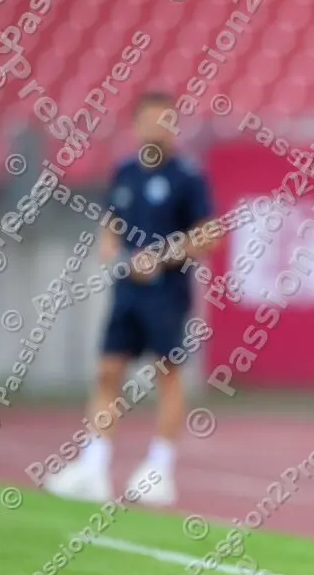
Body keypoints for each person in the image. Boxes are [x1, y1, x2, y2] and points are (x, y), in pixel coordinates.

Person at [45, 92, 219, 506]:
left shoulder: (187, 176)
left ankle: (160, 469)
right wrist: (108, 244)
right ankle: (94, 465)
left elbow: (209, 235)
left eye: (166, 122)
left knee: (167, 374)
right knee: (108, 371)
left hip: (166, 291)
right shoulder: (125, 171)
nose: (158, 129)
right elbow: (112, 220)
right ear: (137, 126)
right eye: (151, 121)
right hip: (126, 290)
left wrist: (162, 257)